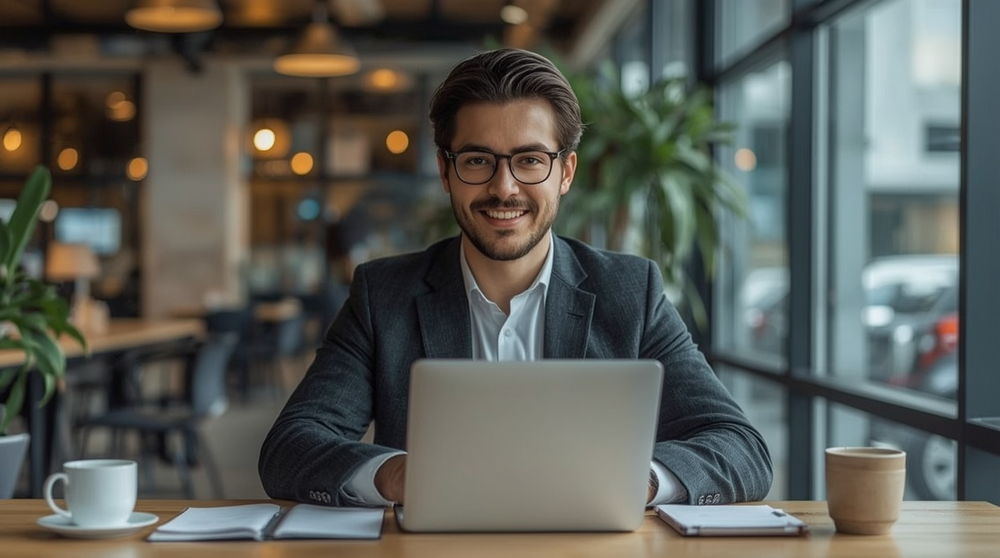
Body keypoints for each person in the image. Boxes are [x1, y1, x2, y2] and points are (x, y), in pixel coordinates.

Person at [259, 48, 772, 507]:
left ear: (566, 173)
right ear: (445, 172)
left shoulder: (630, 292)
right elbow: (290, 447)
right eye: (478, 160)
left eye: (530, 160)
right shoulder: (383, 295)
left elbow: (740, 447)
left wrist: (642, 480)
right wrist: (396, 475)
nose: (503, 188)